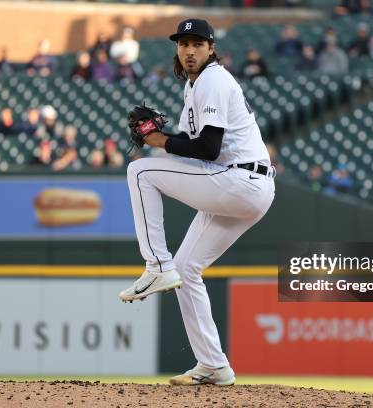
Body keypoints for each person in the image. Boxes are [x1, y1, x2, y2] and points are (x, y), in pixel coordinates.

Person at [118, 19, 275, 387]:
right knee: (186, 270)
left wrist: (159, 141)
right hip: (245, 186)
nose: (189, 50)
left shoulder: (213, 80)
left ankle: (156, 264)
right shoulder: (195, 86)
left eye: (197, 43)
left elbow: (208, 148)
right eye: (183, 43)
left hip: (240, 180)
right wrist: (166, 138)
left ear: (211, 49)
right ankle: (213, 365)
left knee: (140, 173)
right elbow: (197, 150)